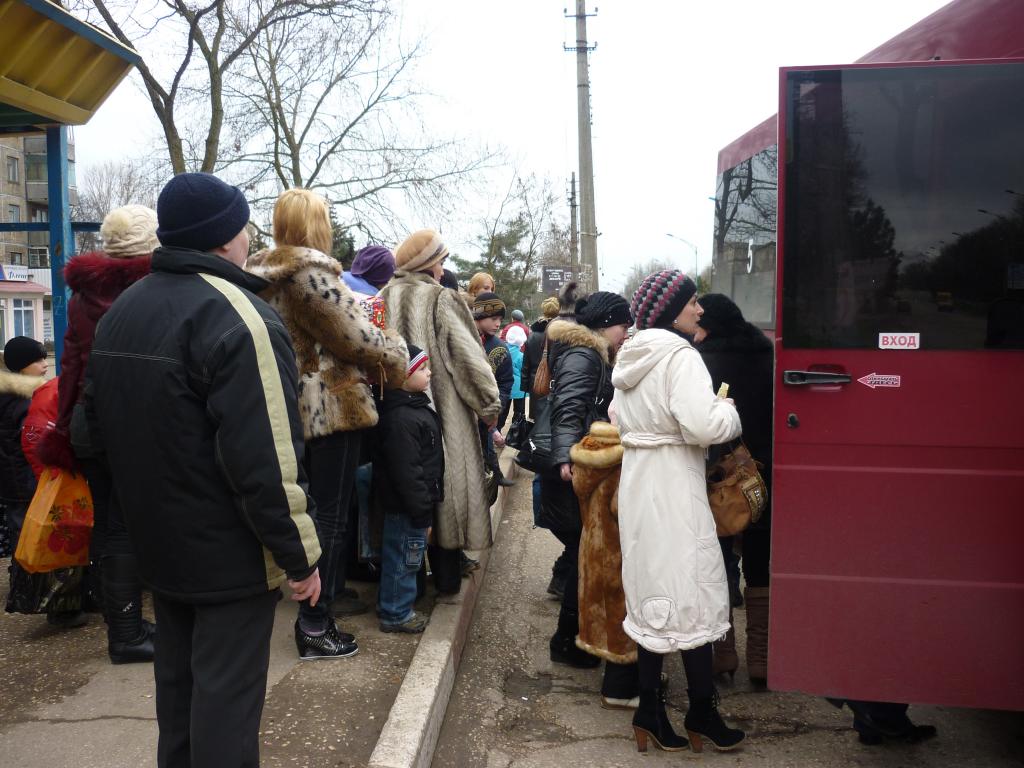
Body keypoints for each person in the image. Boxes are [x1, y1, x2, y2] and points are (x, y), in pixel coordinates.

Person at [85, 172, 322, 768]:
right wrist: (301, 556)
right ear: (224, 237)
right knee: (226, 708)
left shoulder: (123, 311)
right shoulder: (242, 318)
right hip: (229, 554)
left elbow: (92, 433)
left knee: (181, 699)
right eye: (243, 226)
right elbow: (265, 458)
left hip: (158, 544)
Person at [246, 188, 407, 658]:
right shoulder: (310, 274)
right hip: (327, 406)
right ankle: (316, 622)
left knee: (303, 508)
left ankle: (314, 602)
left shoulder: (260, 276)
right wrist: (397, 349)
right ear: (317, 226)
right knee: (330, 516)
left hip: (283, 404)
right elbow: (356, 339)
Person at [612, 270, 745, 753]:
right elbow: (703, 423)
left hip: (639, 482)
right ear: (672, 309)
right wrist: (728, 410)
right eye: (692, 301)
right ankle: (701, 711)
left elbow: (617, 416)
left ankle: (651, 708)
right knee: (688, 590)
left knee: (654, 592)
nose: (699, 309)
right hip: (673, 483)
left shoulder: (630, 355)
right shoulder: (682, 357)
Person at [39, 205, 157, 663]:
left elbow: (70, 367)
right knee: (127, 526)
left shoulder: (84, 296)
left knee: (108, 523)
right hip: (136, 423)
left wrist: (66, 426)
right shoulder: (155, 290)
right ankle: (126, 633)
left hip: (91, 421)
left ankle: (122, 621)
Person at [379, 229, 501, 594]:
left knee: (407, 496)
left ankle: (408, 589)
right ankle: (447, 579)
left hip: (395, 414)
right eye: (441, 260)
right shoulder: (441, 299)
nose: (442, 267)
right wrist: (488, 404)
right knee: (445, 494)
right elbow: (467, 358)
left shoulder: (382, 296)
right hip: (443, 414)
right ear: (429, 263)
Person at [539, 292, 638, 711]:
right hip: (573, 462)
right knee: (585, 553)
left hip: (577, 457)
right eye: (623, 324)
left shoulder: (588, 350)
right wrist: (566, 457)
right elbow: (568, 408)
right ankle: (568, 641)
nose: (627, 332)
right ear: (606, 324)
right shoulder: (585, 355)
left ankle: (571, 642)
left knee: (582, 552)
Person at [693, 293, 774, 684]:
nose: (697, 333)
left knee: (720, 561)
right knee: (761, 565)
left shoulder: (705, 362)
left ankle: (723, 653)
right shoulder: (766, 354)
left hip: (719, 477)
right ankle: (761, 660)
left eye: (702, 325)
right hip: (763, 474)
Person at [372, 344, 442, 633]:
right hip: (406, 507)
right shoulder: (401, 418)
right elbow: (408, 473)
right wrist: (422, 512)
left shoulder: (412, 408)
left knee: (405, 558)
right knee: (404, 560)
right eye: (423, 369)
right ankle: (395, 613)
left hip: (412, 505)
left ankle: (394, 605)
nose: (429, 373)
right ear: (402, 376)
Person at [473, 292, 515, 488]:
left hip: (487, 414)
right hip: (464, 413)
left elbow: (506, 382)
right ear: (479, 316)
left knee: (486, 448)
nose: (498, 324)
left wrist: (497, 408)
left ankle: (494, 478)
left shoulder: (500, 348)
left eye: (500, 319)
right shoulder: (464, 341)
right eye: (493, 319)